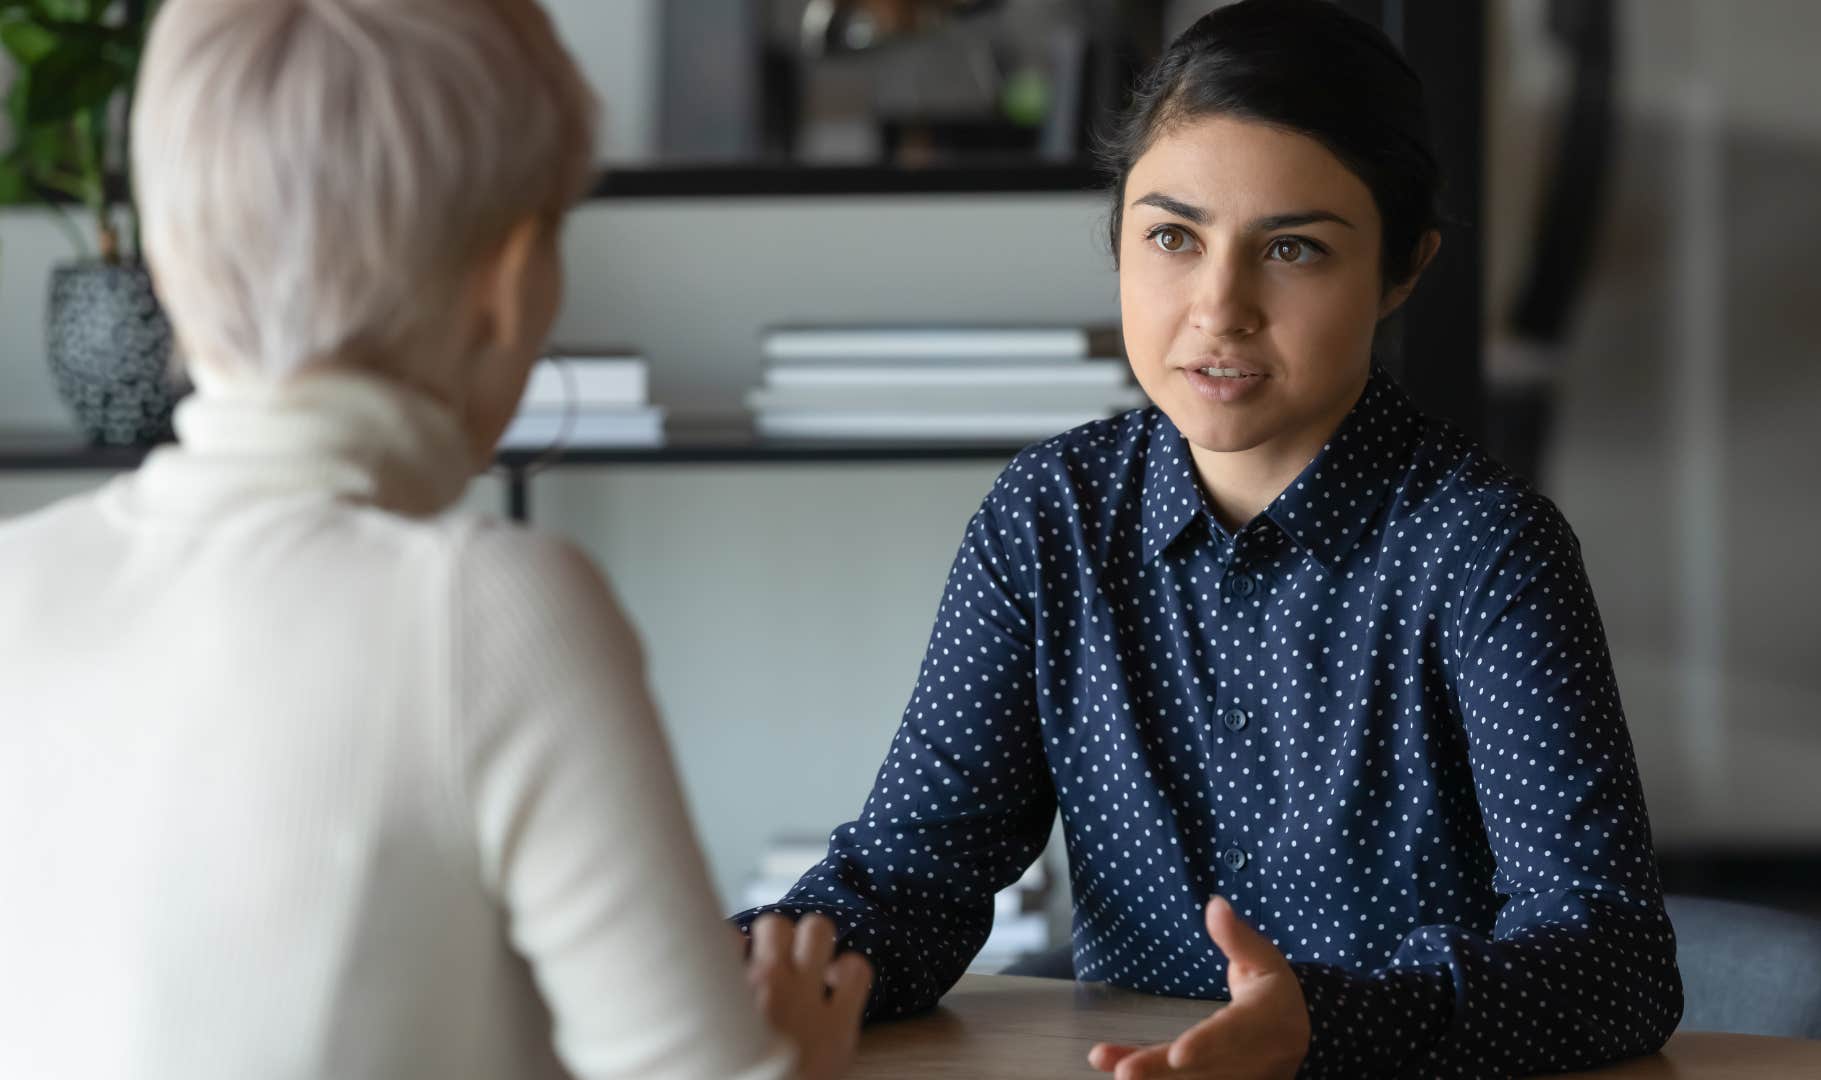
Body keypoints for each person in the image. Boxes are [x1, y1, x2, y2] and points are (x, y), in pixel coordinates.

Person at [732, 2, 1684, 1077]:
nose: (1219, 308)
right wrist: (728, 974)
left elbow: (1614, 962)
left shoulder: (1482, 549)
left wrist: (1323, 1025)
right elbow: (910, 883)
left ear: (1403, 268)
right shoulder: (1049, 520)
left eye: (1294, 250)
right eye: (1173, 237)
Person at [0, 1, 866, 1077]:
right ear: (511, 284)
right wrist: (802, 1052)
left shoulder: (16, 582)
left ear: (168, 265)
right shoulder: (490, 605)